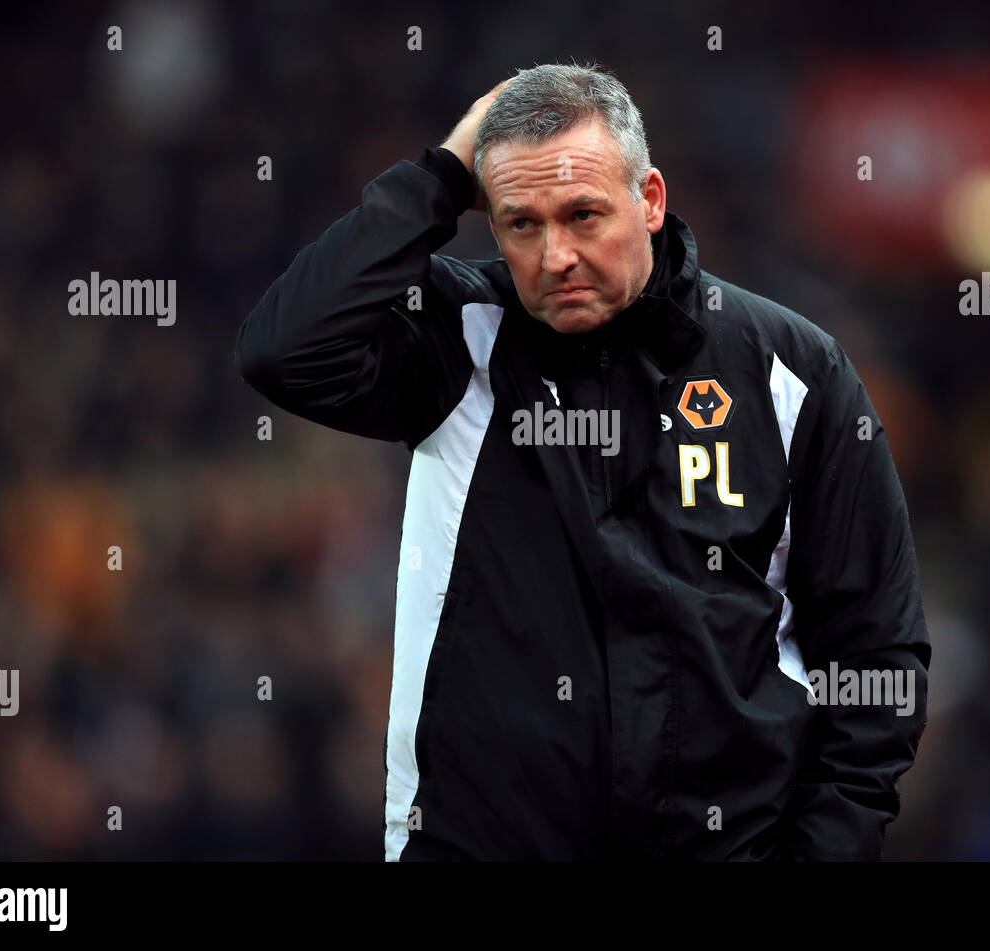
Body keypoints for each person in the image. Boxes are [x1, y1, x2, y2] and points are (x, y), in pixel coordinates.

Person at [235, 62, 930, 861]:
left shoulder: (790, 372)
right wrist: (443, 171)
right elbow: (281, 348)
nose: (556, 254)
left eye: (583, 215)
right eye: (521, 223)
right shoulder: (458, 342)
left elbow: (878, 653)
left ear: (652, 200)